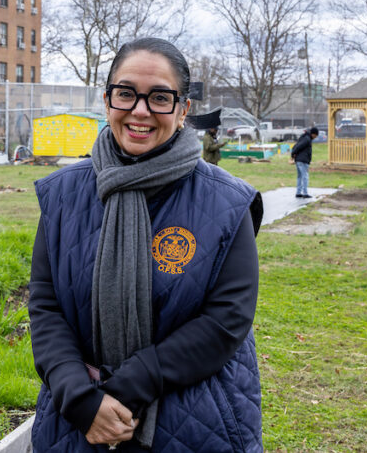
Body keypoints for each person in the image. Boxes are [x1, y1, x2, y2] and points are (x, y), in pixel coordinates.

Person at [29, 37, 263, 453]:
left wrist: (130, 387)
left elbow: (226, 320)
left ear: (183, 108)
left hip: (194, 421)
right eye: (126, 94)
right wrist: (79, 398)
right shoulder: (61, 196)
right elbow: (47, 306)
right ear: (107, 100)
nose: (140, 110)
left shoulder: (228, 202)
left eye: (159, 97)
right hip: (80, 422)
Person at [290, 126, 319, 199]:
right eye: (316, 135)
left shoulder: (304, 137)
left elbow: (296, 145)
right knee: (305, 176)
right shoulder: (307, 139)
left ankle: (298, 192)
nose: (316, 137)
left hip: (299, 160)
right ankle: (305, 193)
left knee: (300, 176)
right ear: (313, 134)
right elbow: (298, 146)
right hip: (303, 160)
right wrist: (293, 153)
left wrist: (293, 154)